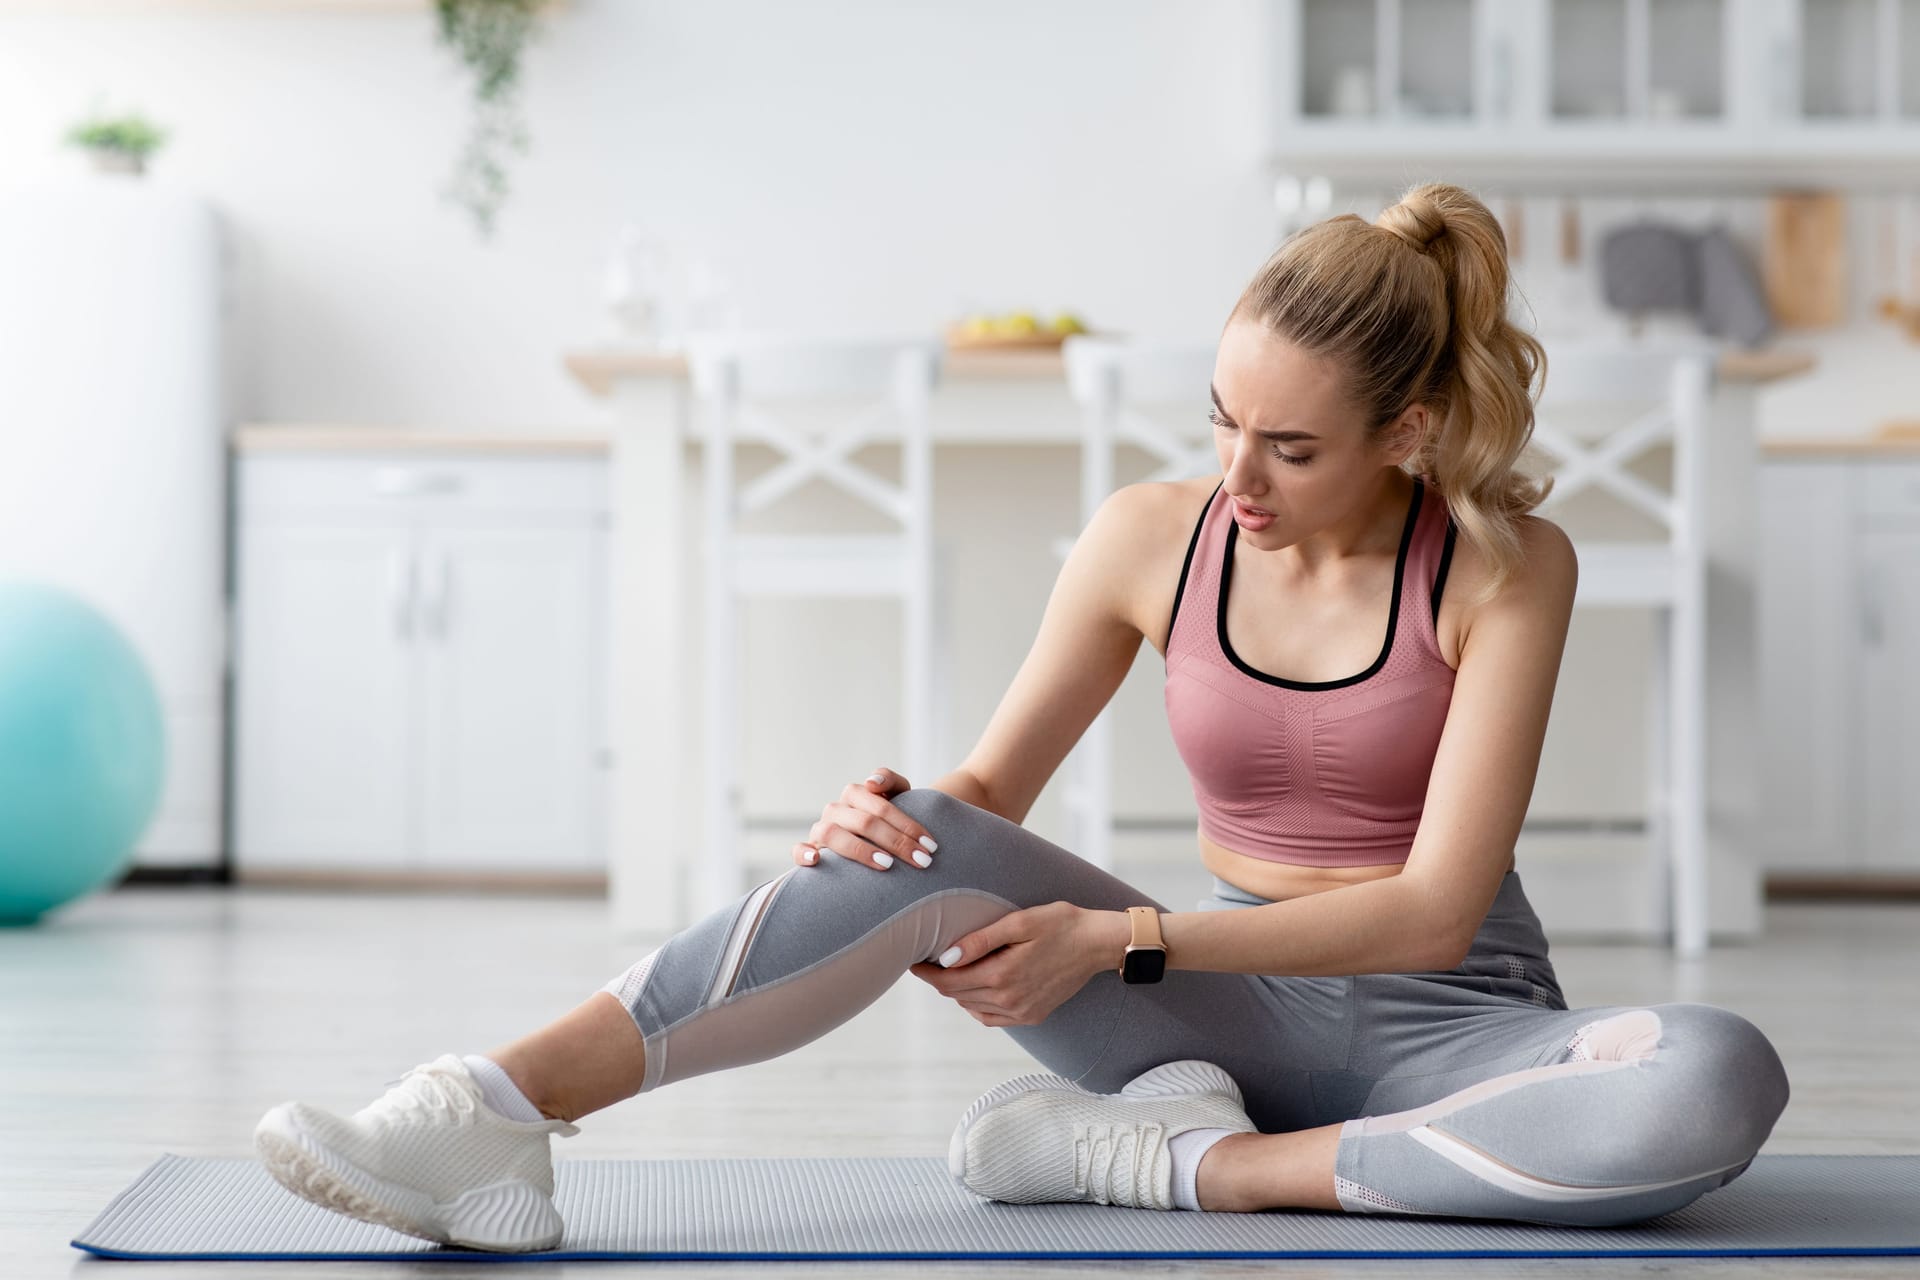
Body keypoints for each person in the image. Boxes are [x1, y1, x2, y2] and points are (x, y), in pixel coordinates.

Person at [253, 181, 1790, 1253]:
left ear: (1408, 430)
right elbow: (989, 785)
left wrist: (1127, 941)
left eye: (1294, 451)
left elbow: (1435, 914)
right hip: (1210, 1010)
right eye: (1223, 425)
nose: (1239, 483)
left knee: (1712, 1078)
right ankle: (489, 1114)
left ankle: (1196, 1166)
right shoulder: (1150, 536)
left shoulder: (1508, 570)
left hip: (1454, 1039)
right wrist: (893, 824)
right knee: (926, 840)